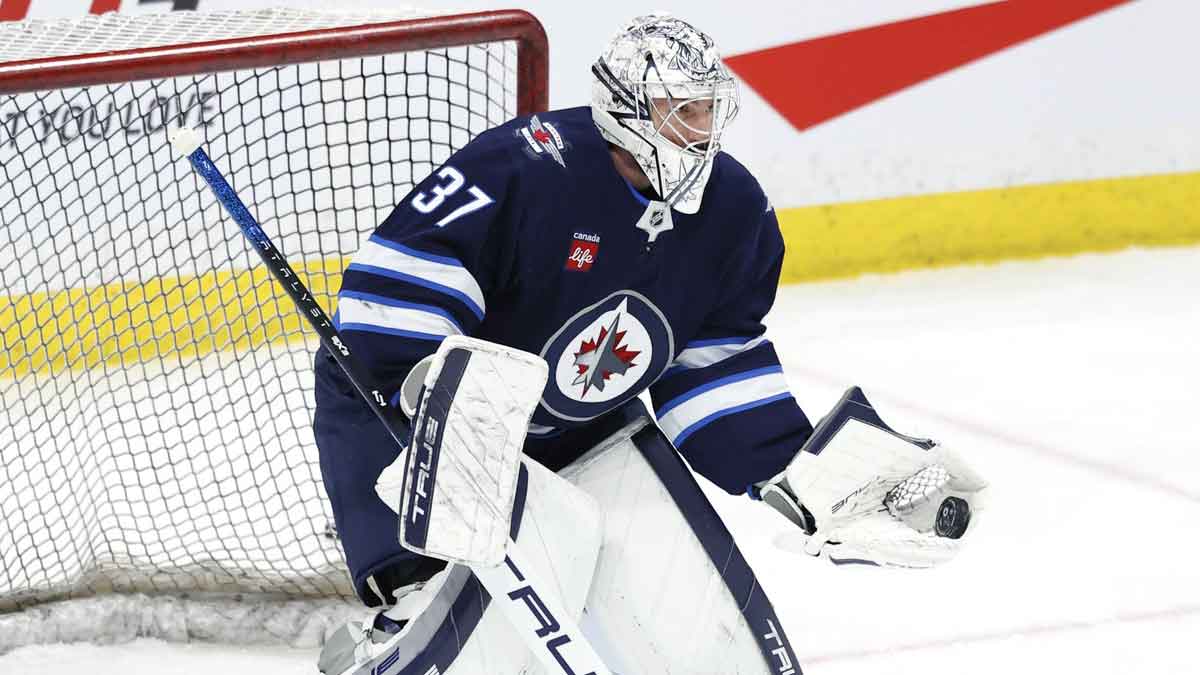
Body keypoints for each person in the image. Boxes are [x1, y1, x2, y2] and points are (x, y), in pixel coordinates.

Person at [313, 12, 985, 675]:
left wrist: (793, 472)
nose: (700, 130)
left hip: (579, 433)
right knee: (467, 629)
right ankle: (392, 632)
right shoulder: (524, 166)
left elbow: (712, 361)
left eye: (706, 110)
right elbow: (395, 291)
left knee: (686, 631)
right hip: (417, 412)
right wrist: (438, 403)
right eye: (681, 110)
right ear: (627, 109)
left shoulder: (733, 211)